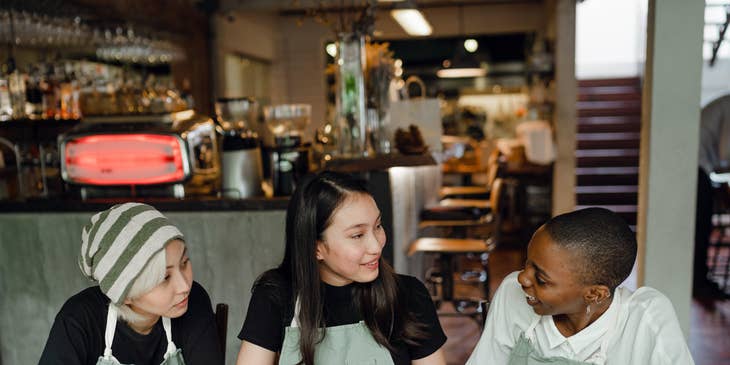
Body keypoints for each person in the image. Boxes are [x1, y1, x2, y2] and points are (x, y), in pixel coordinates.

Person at [235, 171, 447, 365]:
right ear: (315, 248)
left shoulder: (409, 295)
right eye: (357, 235)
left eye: (378, 226)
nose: (376, 246)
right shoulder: (276, 295)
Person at [467, 207, 693, 365]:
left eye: (541, 279)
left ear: (595, 294)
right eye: (527, 264)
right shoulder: (513, 294)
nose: (523, 279)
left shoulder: (644, 319)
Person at [39, 202, 223, 365]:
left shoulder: (194, 302)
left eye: (184, 263)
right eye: (165, 278)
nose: (184, 287)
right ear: (125, 295)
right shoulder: (79, 319)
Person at [695, 94, 730, 299]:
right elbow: (726, 154)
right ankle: (699, 283)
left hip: (701, 168)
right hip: (697, 167)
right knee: (701, 230)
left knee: (701, 229)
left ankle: (701, 280)